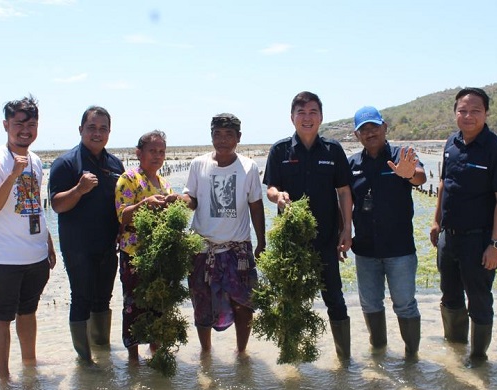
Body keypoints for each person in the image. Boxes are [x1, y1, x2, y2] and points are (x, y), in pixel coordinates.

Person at [263, 91, 353, 359]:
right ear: (292, 118)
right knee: (290, 300)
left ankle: (344, 361)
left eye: (313, 112)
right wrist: (278, 196)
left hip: (326, 239)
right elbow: (270, 188)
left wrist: (347, 229)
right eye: (301, 113)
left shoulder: (333, 150)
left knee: (334, 298)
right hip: (292, 242)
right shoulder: (280, 150)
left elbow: (345, 192)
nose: (307, 118)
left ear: (321, 117)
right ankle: (290, 359)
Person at [429, 87, 497, 361]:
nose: (468, 115)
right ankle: (456, 353)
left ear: (486, 113)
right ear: (455, 113)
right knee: (450, 295)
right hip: (449, 237)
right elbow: (444, 184)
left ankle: (478, 359)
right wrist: (435, 220)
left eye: (475, 110)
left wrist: (495, 243)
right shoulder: (450, 144)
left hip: (479, 240)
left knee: (478, 299)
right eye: (463, 110)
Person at [0, 96, 57, 380]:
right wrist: (12, 175)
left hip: (34, 254)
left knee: (29, 311)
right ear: (5, 125)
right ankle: (3, 380)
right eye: (19, 124)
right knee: (2, 317)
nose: (26, 130)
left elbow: (34, 203)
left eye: (32, 124)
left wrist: (47, 242)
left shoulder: (36, 160)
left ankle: (29, 366)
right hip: (4, 257)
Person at [182, 113, 265, 354]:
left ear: (239, 137)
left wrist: (261, 242)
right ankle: (206, 352)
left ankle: (242, 352)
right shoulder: (198, 164)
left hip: (237, 247)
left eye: (229, 135)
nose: (222, 140)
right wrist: (180, 201)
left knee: (244, 304)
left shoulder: (249, 167)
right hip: (202, 248)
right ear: (211, 136)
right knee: (202, 303)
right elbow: (192, 198)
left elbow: (256, 206)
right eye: (217, 134)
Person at [347, 106, 426, 357]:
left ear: (385, 128)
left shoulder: (402, 155)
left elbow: (421, 176)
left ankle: (412, 358)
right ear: (357, 135)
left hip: (399, 249)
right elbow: (343, 201)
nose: (370, 133)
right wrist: (342, 232)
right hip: (365, 249)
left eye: (374, 127)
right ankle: (378, 352)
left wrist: (409, 173)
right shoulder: (352, 164)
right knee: (370, 303)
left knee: (404, 305)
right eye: (364, 129)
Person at [49, 106, 124, 363]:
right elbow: (57, 205)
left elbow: (121, 204)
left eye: (103, 128)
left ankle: (102, 351)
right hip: (78, 246)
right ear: (81, 129)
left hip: (107, 244)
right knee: (81, 298)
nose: (97, 133)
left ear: (109, 132)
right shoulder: (65, 163)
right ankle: (84, 359)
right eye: (91, 127)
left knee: (103, 299)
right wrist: (79, 190)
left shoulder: (115, 164)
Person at [115, 130, 177, 361]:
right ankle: (133, 359)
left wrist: (175, 203)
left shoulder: (163, 183)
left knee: (158, 305)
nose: (157, 156)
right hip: (134, 254)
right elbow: (122, 216)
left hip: (159, 254)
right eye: (152, 151)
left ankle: (156, 352)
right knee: (134, 306)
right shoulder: (129, 178)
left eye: (161, 152)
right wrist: (145, 203)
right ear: (139, 153)